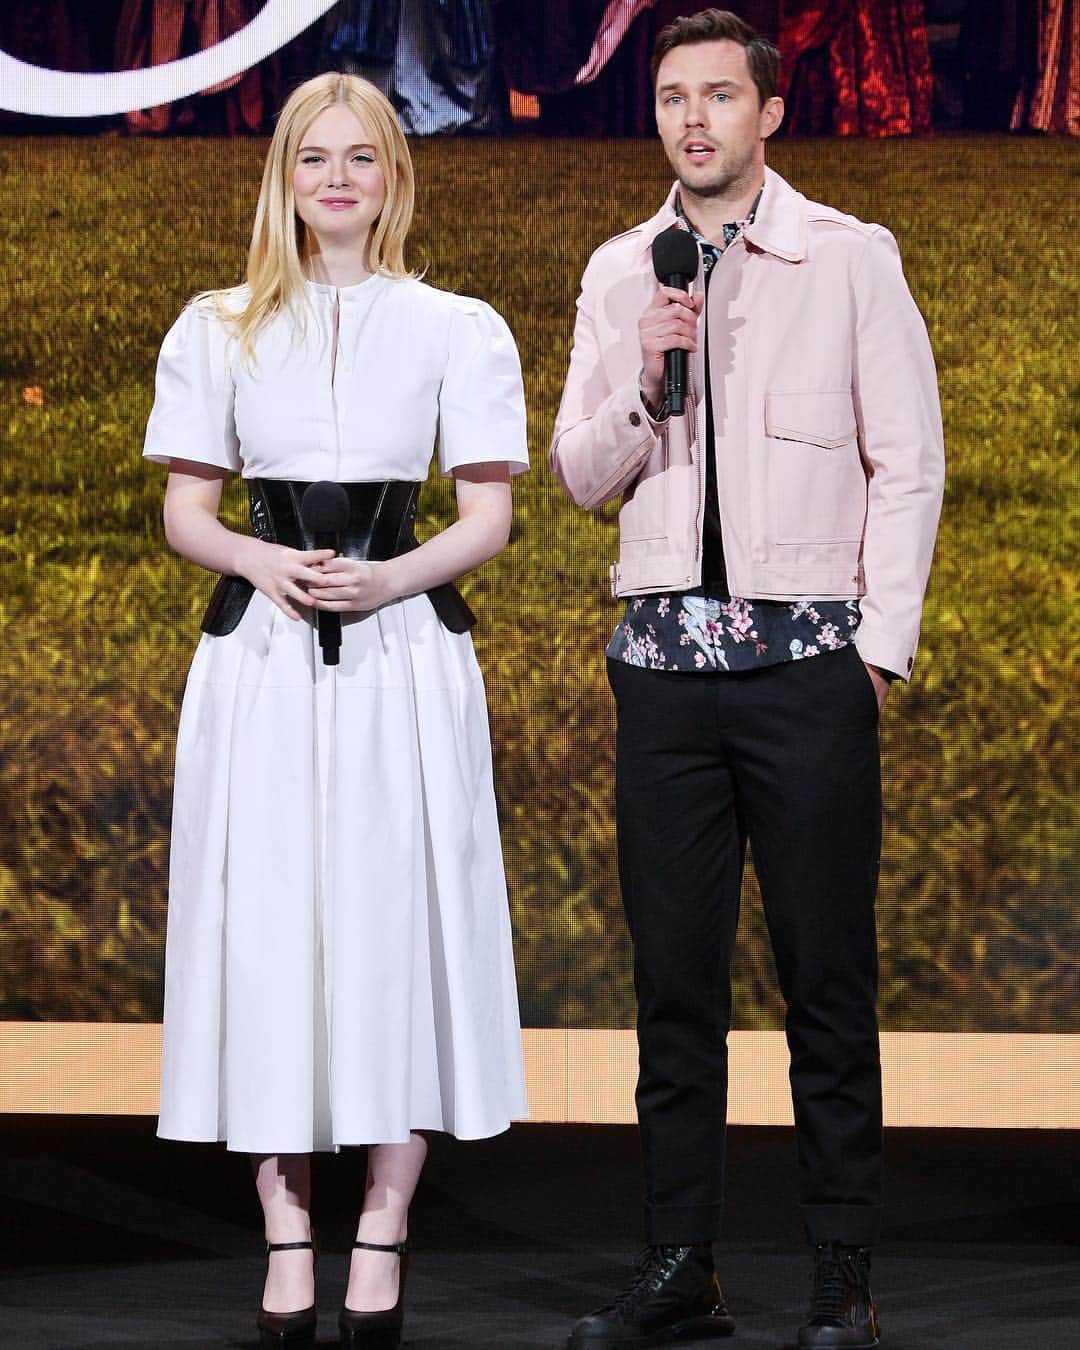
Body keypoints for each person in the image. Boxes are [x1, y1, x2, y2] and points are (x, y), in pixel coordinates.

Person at [551, 9, 943, 1349]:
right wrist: (648, 381)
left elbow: (910, 463)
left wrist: (874, 652)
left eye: (721, 95)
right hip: (663, 673)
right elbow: (579, 473)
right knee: (676, 984)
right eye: (673, 97)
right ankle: (682, 1262)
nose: (695, 120)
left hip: (806, 670)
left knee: (826, 975)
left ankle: (842, 1267)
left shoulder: (845, 258)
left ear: (770, 111)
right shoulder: (622, 272)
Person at [143, 72, 529, 1349]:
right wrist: (263, 565)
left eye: (362, 159)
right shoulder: (219, 324)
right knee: (266, 923)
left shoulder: (455, 326)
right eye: (316, 160)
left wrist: (387, 577)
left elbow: (486, 514)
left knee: (388, 917)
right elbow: (188, 509)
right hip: (259, 663)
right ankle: (284, 1232)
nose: (339, 181)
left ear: (395, 177)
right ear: (285, 178)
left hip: (403, 660)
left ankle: (384, 1225)